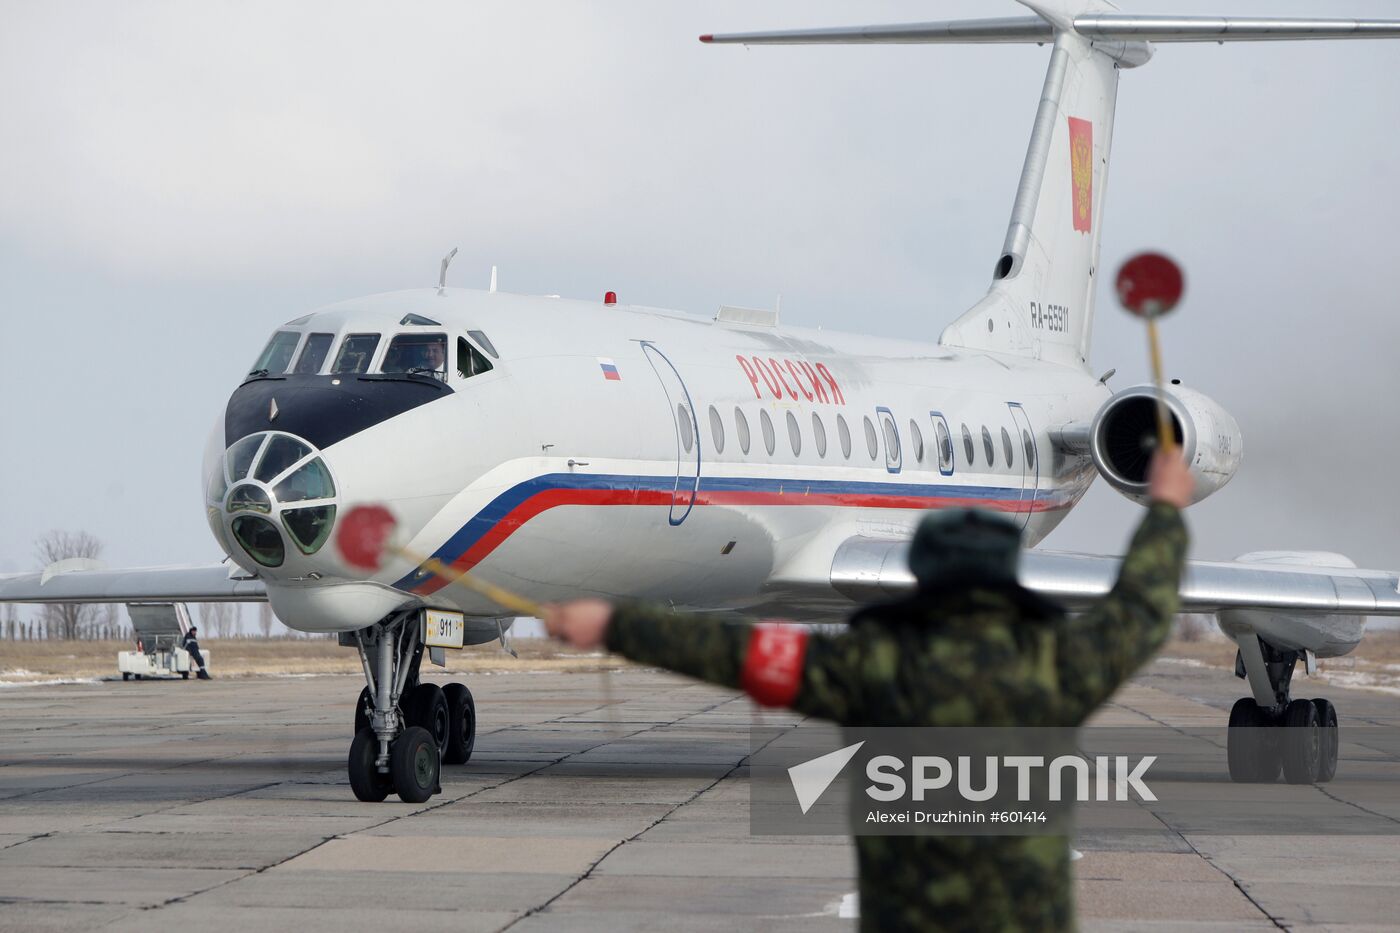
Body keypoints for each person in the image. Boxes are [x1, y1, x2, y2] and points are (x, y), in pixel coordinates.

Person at [543, 449, 1193, 931]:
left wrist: (613, 623)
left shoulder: (871, 665)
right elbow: (1140, 605)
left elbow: (734, 653)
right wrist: (1164, 508)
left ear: (921, 571)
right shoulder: (1060, 662)